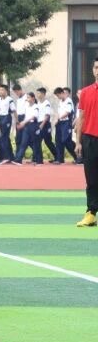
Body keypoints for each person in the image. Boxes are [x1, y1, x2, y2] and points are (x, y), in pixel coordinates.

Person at [76, 58, 98, 227]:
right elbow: (81, 118)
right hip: (89, 139)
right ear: (93, 69)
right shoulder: (85, 92)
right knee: (91, 179)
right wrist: (78, 142)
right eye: (96, 67)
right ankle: (91, 213)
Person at [54, 87, 78, 164]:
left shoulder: (69, 101)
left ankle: (77, 156)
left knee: (66, 141)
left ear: (62, 93)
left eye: (58, 95)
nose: (58, 97)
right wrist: (56, 119)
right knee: (58, 141)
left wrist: (59, 118)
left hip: (66, 123)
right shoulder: (60, 102)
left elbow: (67, 112)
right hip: (60, 123)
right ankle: (59, 159)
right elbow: (58, 112)